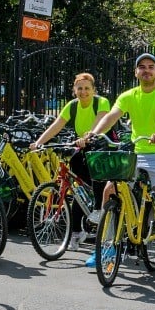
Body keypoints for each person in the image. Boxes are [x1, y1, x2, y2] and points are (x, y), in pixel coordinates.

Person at [83, 53, 155, 269]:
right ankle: (105, 247)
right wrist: (91, 135)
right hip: (137, 151)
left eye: (151, 67)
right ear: (136, 72)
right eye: (142, 67)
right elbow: (111, 116)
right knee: (110, 189)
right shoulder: (129, 95)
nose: (146, 70)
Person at [29, 72, 111, 250]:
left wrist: (89, 135)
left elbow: (100, 123)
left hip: (102, 146)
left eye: (87, 88)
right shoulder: (72, 106)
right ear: (74, 90)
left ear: (93, 90)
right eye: (79, 88)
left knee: (97, 175)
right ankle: (74, 233)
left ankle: (98, 210)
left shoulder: (101, 102)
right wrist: (38, 143)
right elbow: (56, 125)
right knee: (77, 191)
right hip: (82, 146)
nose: (83, 92)